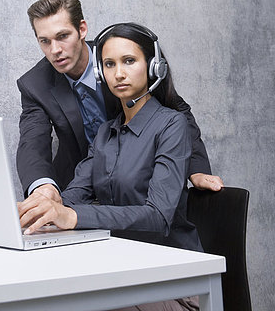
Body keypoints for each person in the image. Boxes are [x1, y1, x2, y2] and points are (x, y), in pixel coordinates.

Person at [18, 23, 205, 311]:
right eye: (109, 64)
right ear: (100, 73)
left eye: (129, 61)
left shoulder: (171, 125)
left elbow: (158, 216)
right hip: (123, 273)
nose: (118, 73)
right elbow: (72, 196)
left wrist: (71, 217)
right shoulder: (106, 134)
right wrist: (43, 209)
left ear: (154, 67)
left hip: (173, 281)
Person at [16, 0, 223, 201]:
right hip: (79, 190)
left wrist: (196, 168)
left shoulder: (118, 57)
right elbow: (32, 142)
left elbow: (175, 109)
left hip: (138, 185)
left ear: (81, 29)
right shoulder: (34, 84)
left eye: (63, 36)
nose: (55, 50)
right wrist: (42, 186)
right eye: (45, 41)